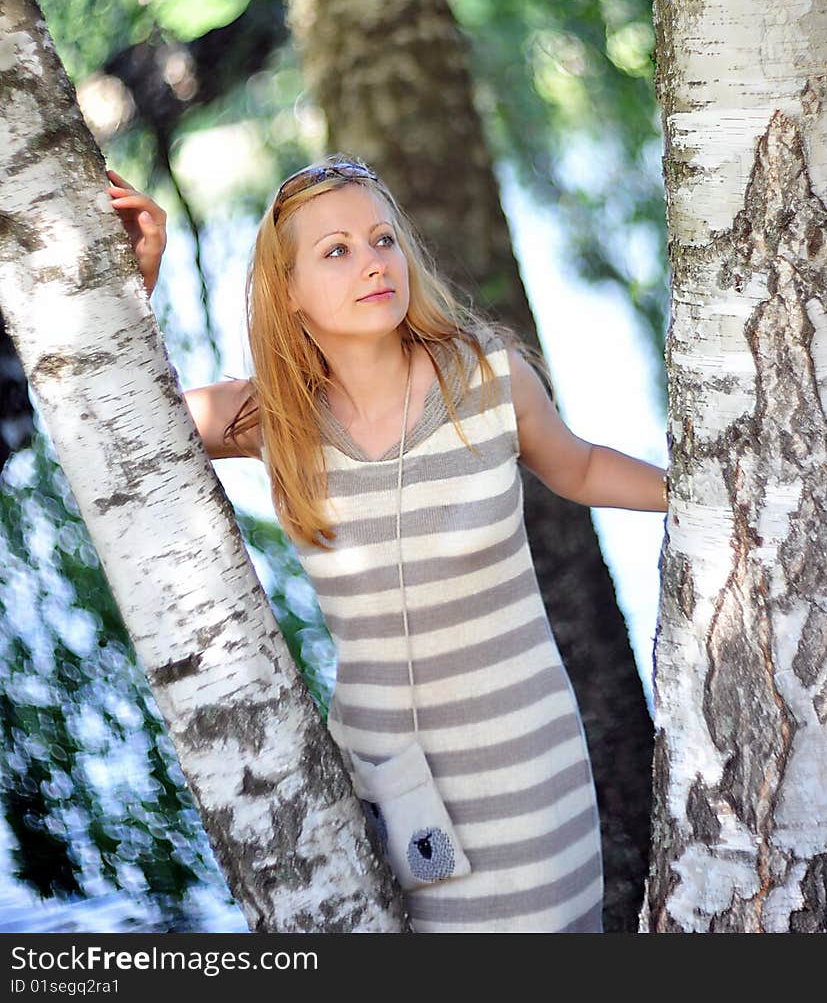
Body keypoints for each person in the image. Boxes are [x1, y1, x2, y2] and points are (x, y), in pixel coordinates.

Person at [107, 155, 667, 934]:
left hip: (529, 766)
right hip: (382, 785)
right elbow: (127, 412)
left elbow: (579, 467)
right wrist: (137, 280)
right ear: (289, 291)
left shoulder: (487, 377)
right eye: (335, 250)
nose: (372, 262)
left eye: (382, 240)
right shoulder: (276, 418)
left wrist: (706, 495)